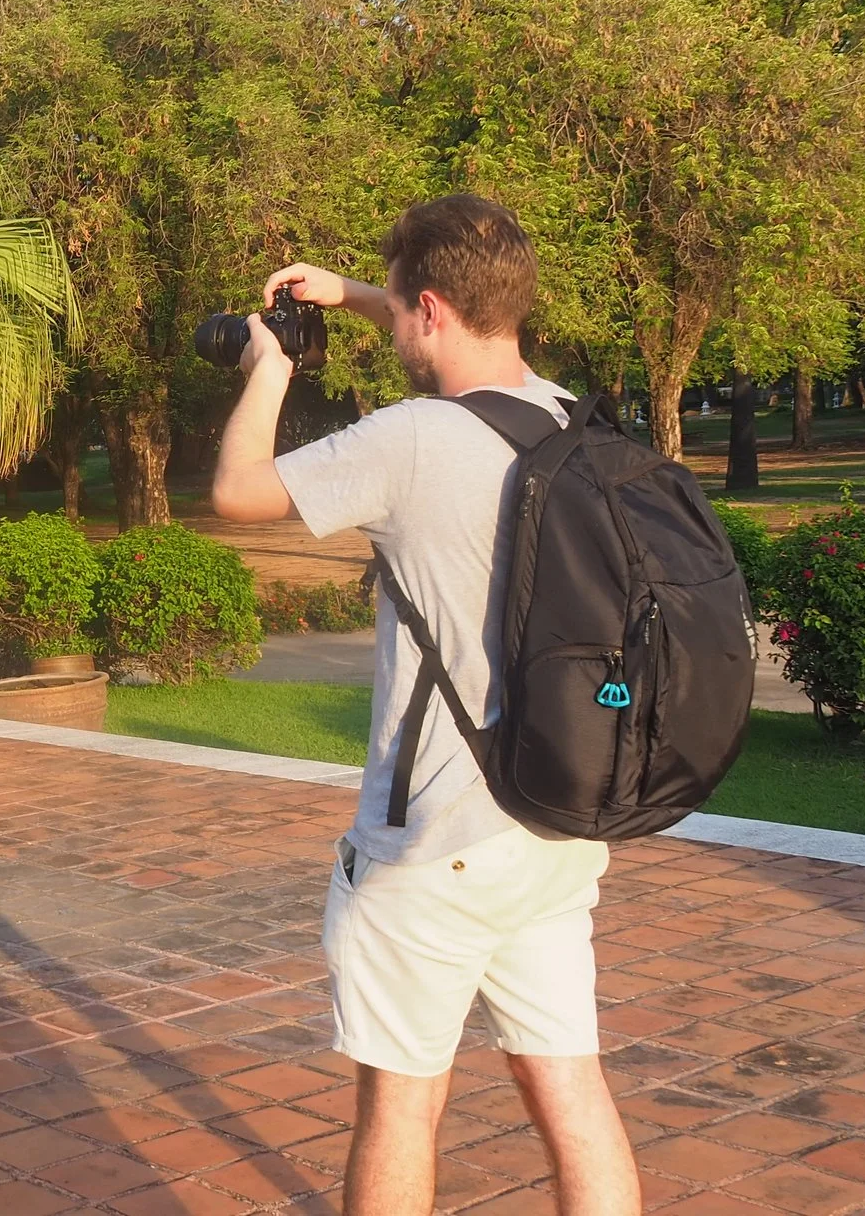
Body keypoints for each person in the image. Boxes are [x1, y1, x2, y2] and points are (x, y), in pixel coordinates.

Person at [208, 195, 639, 1216]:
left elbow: (238, 491)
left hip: (434, 845)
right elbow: (452, 329)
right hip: (553, 819)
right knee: (570, 1089)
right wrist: (351, 291)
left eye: (396, 306)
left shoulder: (409, 441)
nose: (388, 321)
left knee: (400, 1110)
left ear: (430, 308)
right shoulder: (566, 415)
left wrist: (271, 368)